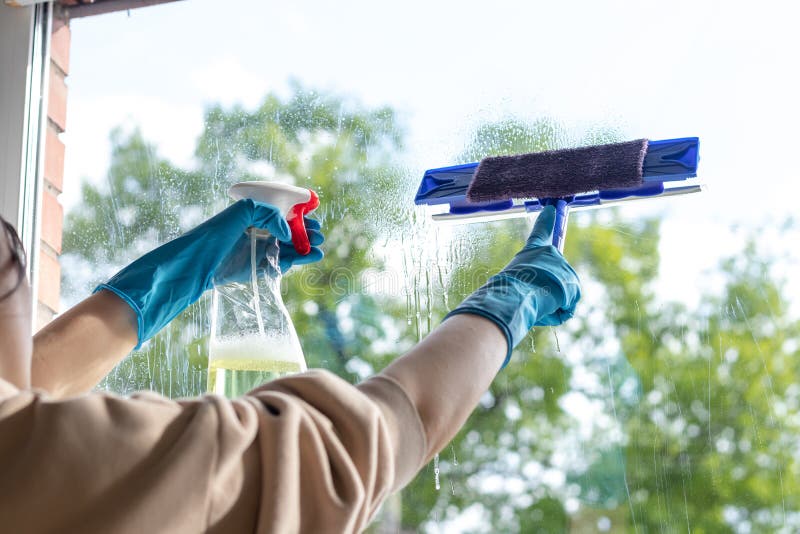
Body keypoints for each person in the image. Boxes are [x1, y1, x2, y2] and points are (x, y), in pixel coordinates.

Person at [0, 199, 580, 533]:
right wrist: (509, 300)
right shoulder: (73, 462)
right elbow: (361, 445)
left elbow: (19, 402)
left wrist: (158, 287)